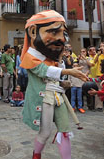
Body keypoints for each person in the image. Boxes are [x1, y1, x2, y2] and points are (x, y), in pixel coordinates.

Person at [20, 10, 88, 159]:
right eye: (54, 32)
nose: (62, 39)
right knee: (44, 134)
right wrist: (68, 72)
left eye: (63, 33)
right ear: (33, 32)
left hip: (58, 98)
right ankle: (36, 155)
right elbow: (44, 71)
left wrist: (65, 80)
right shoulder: (31, 57)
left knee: (65, 131)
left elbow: (56, 74)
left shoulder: (52, 57)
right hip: (45, 100)